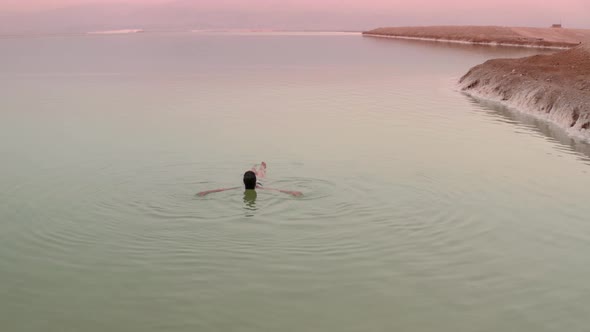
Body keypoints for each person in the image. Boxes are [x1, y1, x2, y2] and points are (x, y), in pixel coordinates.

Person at [197, 162, 302, 197]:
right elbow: (277, 190)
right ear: (255, 181)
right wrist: (292, 192)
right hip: (260, 181)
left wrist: (206, 191)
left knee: (256, 172)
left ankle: (254, 168)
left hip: (254, 181)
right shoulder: (260, 188)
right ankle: (261, 167)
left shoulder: (240, 187)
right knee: (261, 173)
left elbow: (221, 189)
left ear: (243, 181)